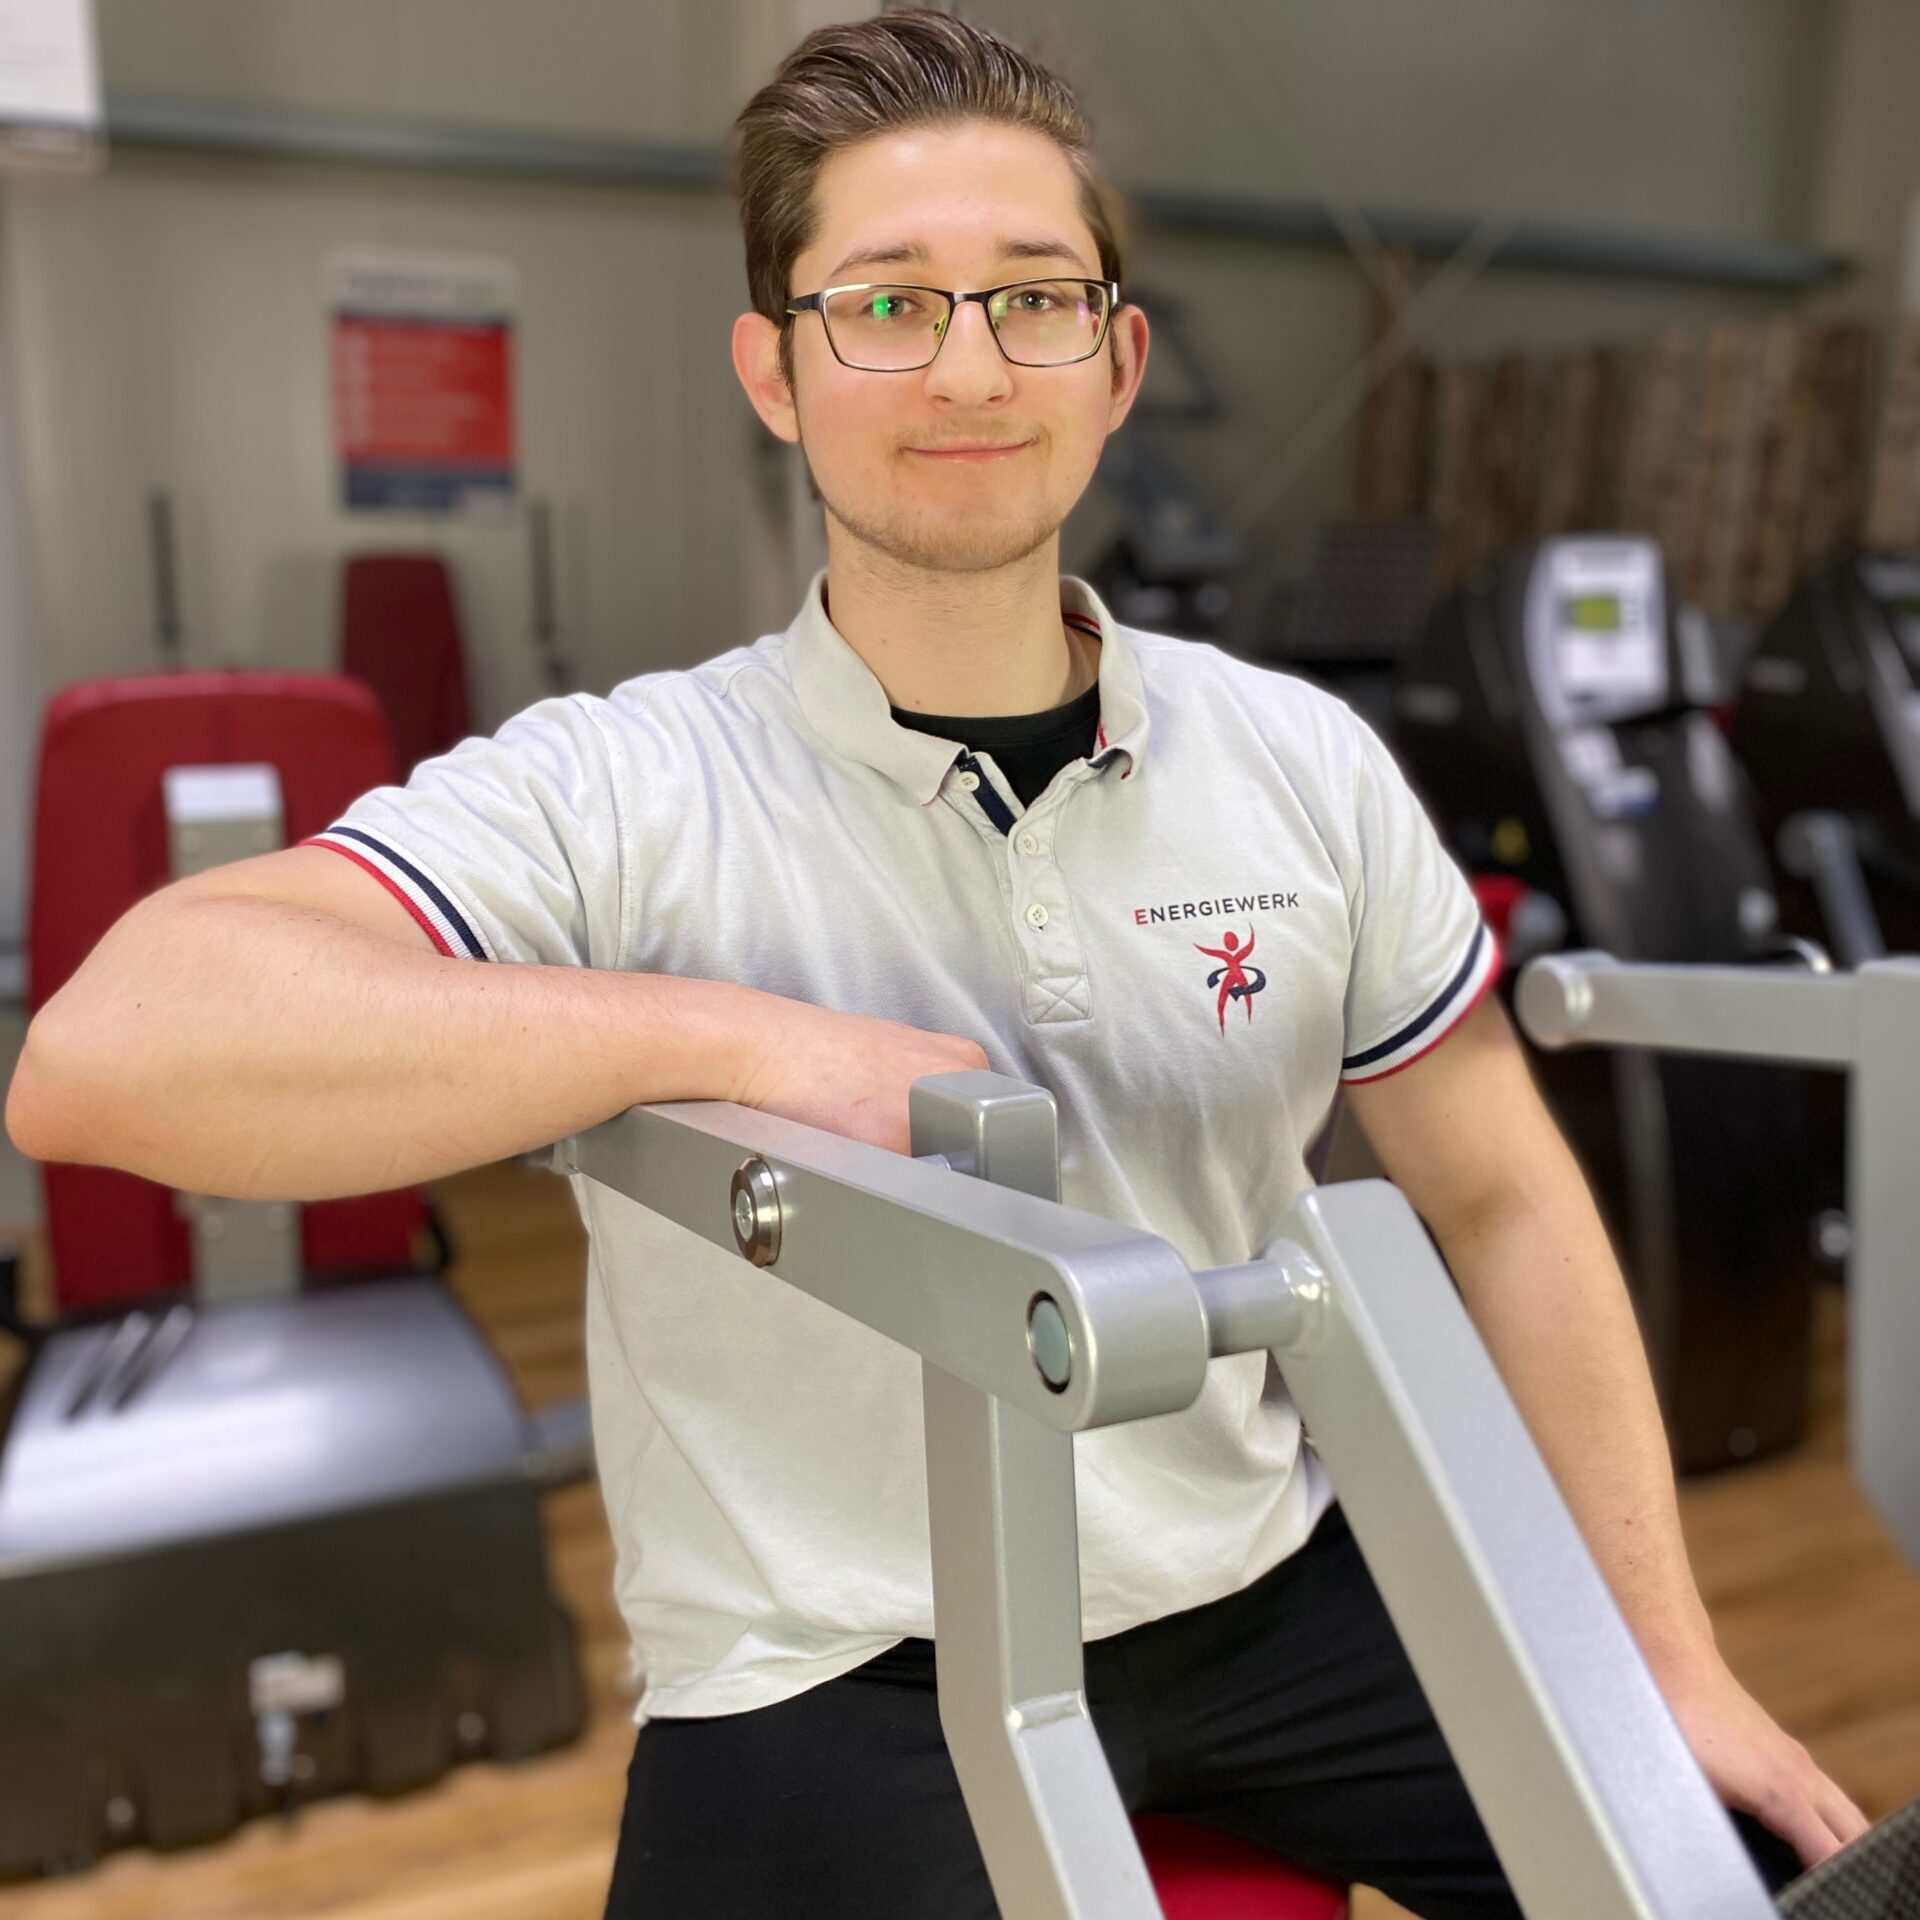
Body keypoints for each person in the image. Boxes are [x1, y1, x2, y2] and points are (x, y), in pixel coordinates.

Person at [4, 13, 1870, 1918]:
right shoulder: (627, 787)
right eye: (886, 306)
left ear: (1118, 360)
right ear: (776, 370)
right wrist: (742, 1042)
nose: (969, 366)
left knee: (1720, 1876)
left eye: (1035, 299)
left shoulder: (1300, 759)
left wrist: (1662, 1654)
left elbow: (1503, 1197)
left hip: (1263, 1578)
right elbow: (110, 1051)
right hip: (830, 1654)